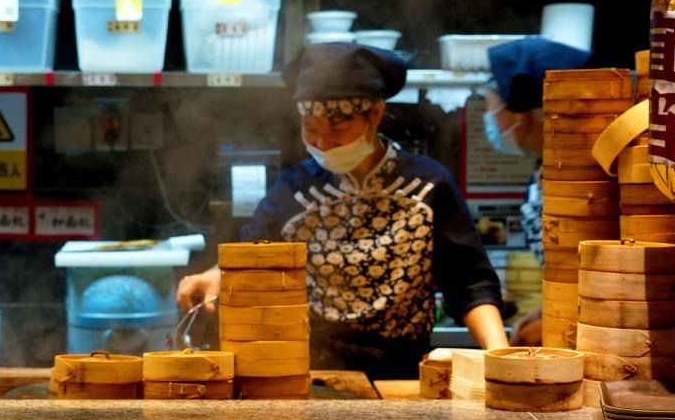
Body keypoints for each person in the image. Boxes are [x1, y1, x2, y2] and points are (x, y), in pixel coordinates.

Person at [177, 43, 507, 379]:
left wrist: (501, 357)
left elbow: (470, 284)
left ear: (375, 114)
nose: (322, 142)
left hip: (406, 374)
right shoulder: (295, 188)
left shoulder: (429, 185)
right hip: (313, 371)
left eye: (336, 127)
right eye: (311, 127)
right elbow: (252, 256)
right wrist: (214, 276)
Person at [481, 37, 591, 347]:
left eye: (491, 108)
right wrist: (545, 310)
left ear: (520, 113)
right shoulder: (545, 171)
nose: (489, 120)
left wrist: (561, 320)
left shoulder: (590, 179)